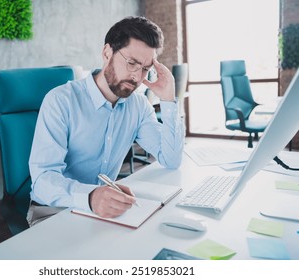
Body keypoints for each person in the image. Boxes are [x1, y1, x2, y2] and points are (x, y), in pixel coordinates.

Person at [27, 16, 185, 226]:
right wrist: (90, 197)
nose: (138, 77)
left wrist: (168, 99)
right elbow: (42, 181)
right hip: (54, 210)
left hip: (102, 212)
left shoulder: (138, 106)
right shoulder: (61, 100)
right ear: (106, 53)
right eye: (132, 63)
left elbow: (171, 159)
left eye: (146, 68)